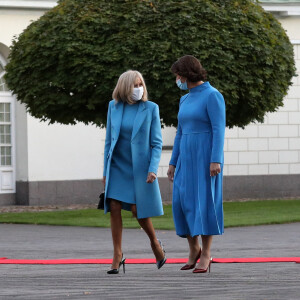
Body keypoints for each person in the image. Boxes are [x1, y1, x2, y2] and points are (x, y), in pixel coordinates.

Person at [103, 70, 166, 274]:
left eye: (141, 85)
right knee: (113, 205)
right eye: (135, 85)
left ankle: (155, 244)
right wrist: (105, 171)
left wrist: (153, 168)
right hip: (118, 166)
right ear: (125, 87)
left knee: (138, 210)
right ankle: (117, 254)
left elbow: (156, 143)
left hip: (139, 168)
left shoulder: (151, 108)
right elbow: (108, 142)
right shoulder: (113, 107)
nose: (139, 89)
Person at [167, 55, 226, 273]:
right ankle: (194, 249)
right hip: (185, 157)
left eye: (178, 76)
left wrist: (215, 159)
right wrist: (173, 162)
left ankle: (207, 254)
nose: (177, 80)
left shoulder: (213, 95)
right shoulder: (184, 99)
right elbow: (180, 132)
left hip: (205, 157)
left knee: (204, 203)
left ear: (185, 75)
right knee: (182, 204)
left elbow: (219, 129)